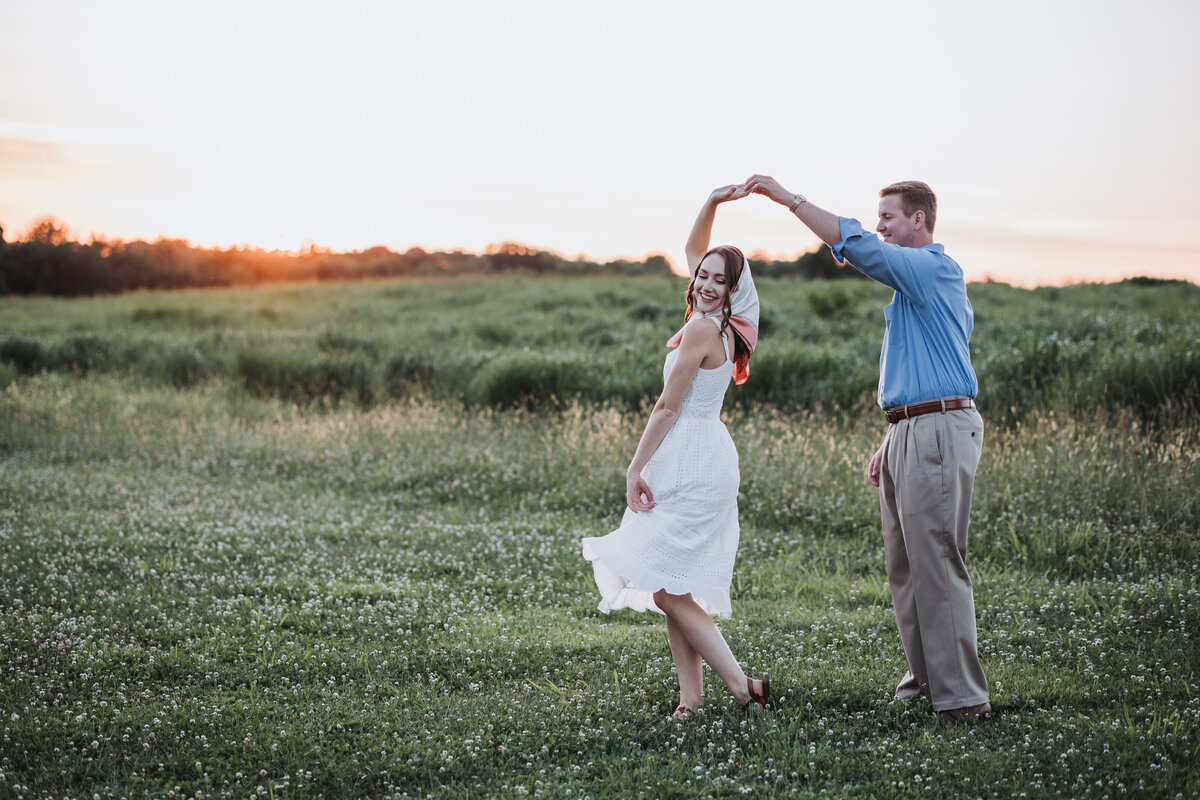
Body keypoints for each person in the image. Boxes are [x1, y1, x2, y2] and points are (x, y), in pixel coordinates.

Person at [741, 174, 990, 723]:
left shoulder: (933, 269)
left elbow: (856, 244)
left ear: (918, 220)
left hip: (939, 431)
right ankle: (925, 682)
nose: (879, 226)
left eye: (888, 218)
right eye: (878, 218)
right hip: (912, 429)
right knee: (905, 567)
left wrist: (788, 199)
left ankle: (964, 700)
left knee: (939, 563)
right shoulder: (912, 288)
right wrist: (892, 434)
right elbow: (922, 368)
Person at [581, 185, 769, 721]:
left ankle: (742, 687)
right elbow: (695, 249)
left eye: (718, 280)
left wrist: (634, 467)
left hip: (688, 457)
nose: (706, 284)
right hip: (703, 453)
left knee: (667, 589)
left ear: (734, 289)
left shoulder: (704, 330)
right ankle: (691, 701)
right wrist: (712, 201)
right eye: (702, 276)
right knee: (673, 582)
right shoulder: (734, 323)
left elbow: (666, 406)